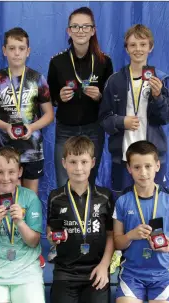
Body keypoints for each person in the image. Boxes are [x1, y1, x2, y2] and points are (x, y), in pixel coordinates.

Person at [99, 24, 169, 196]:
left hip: (152, 157)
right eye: (133, 45)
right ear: (126, 49)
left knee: (154, 204)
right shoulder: (115, 81)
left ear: (151, 47)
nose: (138, 49)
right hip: (123, 157)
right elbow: (103, 118)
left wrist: (158, 98)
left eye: (143, 44)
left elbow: (166, 117)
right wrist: (121, 121)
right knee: (122, 204)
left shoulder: (160, 78)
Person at [113, 140, 169, 303]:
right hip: (131, 274)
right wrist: (131, 235)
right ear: (129, 169)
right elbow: (117, 242)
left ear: (157, 166)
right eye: (137, 167)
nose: (143, 172)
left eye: (148, 166)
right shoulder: (122, 201)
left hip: (162, 273)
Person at [47, 6, 113, 187]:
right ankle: (65, 216)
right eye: (75, 26)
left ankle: (86, 215)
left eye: (85, 26)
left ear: (93, 30)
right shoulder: (57, 61)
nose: (80, 31)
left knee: (88, 179)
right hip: (65, 129)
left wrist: (99, 96)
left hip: (93, 128)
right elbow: (49, 97)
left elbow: (111, 100)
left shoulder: (104, 61)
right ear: (69, 30)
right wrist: (58, 96)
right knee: (63, 180)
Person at [0, 27, 54, 194]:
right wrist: (6, 127)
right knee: (9, 199)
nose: (16, 53)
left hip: (32, 150)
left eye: (21, 49)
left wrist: (32, 127)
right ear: (4, 51)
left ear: (28, 51)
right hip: (6, 152)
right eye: (12, 48)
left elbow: (49, 114)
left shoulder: (37, 78)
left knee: (30, 199)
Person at [47, 136, 114, 303]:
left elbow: (111, 236)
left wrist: (104, 266)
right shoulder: (55, 197)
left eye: (83, 162)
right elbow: (51, 231)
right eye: (73, 162)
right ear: (64, 163)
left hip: (96, 269)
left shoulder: (104, 196)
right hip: (65, 271)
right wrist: (52, 237)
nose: (78, 168)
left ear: (92, 162)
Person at [0, 147, 45, 303]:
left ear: (20, 172)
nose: (6, 178)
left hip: (26, 271)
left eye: (11, 172)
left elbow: (33, 242)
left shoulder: (30, 198)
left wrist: (20, 222)